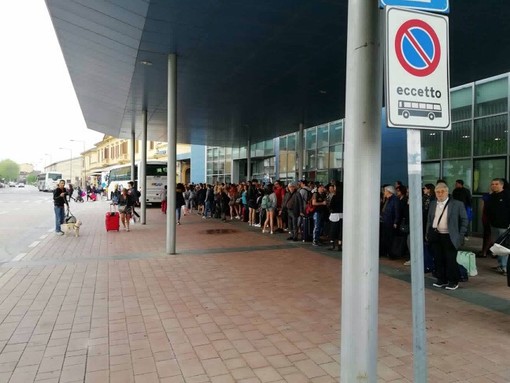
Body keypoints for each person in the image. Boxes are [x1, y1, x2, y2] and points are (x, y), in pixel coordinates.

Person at [426, 182, 468, 290]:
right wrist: (428, 232)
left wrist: (461, 235)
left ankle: (453, 281)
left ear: (447, 192)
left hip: (450, 236)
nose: (440, 194)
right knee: (438, 258)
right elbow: (430, 220)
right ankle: (441, 279)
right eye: (437, 192)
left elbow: (464, 220)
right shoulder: (433, 204)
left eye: (442, 191)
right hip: (436, 235)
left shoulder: (457, 204)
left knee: (450, 259)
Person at [485, 178, 510, 276]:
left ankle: (504, 267)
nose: (494, 186)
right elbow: (488, 209)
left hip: (504, 225)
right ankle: (501, 264)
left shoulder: (507, 195)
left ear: (502, 185)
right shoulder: (492, 196)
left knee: (503, 246)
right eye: (492, 184)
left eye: (496, 184)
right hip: (494, 225)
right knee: (497, 246)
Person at [379, 185, 400, 258]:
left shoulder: (394, 200)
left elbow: (397, 211)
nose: (383, 192)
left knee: (390, 238)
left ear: (389, 192)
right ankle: (384, 252)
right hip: (384, 220)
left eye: (385, 191)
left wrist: (395, 222)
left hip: (390, 221)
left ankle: (390, 253)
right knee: (384, 237)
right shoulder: (387, 199)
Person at [328, 181, 343, 251]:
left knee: (333, 230)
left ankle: (332, 244)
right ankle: (340, 244)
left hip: (335, 215)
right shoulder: (344, 196)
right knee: (340, 231)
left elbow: (331, 206)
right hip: (342, 215)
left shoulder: (335, 196)